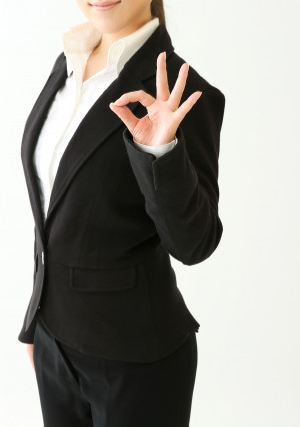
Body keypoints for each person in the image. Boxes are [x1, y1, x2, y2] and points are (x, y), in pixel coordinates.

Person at [17, 1, 225, 425]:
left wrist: (159, 153)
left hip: (136, 358)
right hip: (54, 342)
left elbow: (194, 243)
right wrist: (36, 319)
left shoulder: (182, 92)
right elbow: (56, 209)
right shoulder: (70, 62)